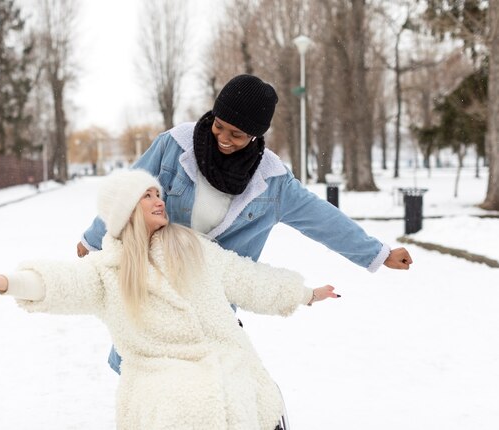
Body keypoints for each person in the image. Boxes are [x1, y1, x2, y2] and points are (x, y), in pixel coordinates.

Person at [0, 169, 339, 430]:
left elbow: (247, 279)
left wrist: (303, 293)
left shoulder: (194, 247)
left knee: (245, 397)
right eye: (147, 196)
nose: (158, 200)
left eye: (158, 193)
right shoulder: (107, 271)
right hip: (157, 378)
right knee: (183, 409)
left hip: (227, 360)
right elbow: (61, 282)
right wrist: (7, 282)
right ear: (126, 212)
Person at [77, 74, 413, 374]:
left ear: (256, 134)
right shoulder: (174, 146)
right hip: (156, 288)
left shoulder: (273, 182)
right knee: (147, 376)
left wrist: (378, 253)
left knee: (206, 382)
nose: (223, 137)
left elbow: (323, 220)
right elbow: (128, 190)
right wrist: (93, 240)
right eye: (218, 125)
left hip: (212, 302)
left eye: (236, 134)